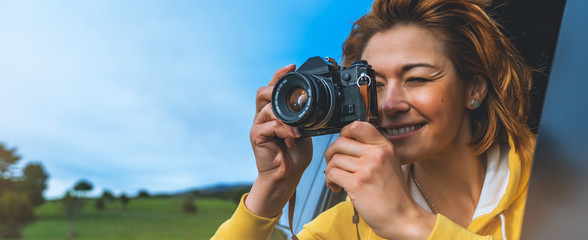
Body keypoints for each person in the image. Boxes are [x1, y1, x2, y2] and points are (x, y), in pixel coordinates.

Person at [212, 0, 536, 239]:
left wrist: (408, 223)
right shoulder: (345, 227)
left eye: (417, 79)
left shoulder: (559, 175)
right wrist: (271, 187)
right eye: (373, 86)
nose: (390, 104)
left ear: (473, 88)